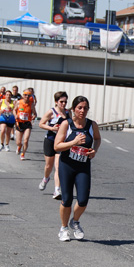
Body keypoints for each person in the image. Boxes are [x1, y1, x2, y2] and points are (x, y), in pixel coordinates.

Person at [54, 96, 101, 242]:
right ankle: (63, 228)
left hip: (83, 166)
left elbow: (98, 139)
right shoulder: (66, 124)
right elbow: (57, 146)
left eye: (85, 108)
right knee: (67, 199)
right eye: (79, 107)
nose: (82, 110)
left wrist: (94, 150)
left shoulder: (92, 125)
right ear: (73, 109)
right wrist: (73, 142)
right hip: (67, 165)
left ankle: (75, 221)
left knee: (83, 200)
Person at [39, 91, 69, 199]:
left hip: (61, 142)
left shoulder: (68, 113)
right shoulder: (51, 112)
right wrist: (52, 128)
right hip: (50, 140)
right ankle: (46, 178)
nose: (63, 104)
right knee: (49, 165)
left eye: (65, 102)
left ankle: (57, 190)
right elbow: (41, 124)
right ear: (56, 102)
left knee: (58, 166)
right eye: (61, 102)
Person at [13, 89, 37, 160]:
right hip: (19, 123)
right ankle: (19, 146)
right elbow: (14, 110)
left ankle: (23, 153)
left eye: (28, 95)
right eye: (25, 95)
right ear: (23, 95)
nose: (27, 96)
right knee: (18, 142)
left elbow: (35, 113)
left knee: (26, 140)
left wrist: (34, 116)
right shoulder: (18, 102)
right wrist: (15, 115)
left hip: (27, 124)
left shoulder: (31, 104)